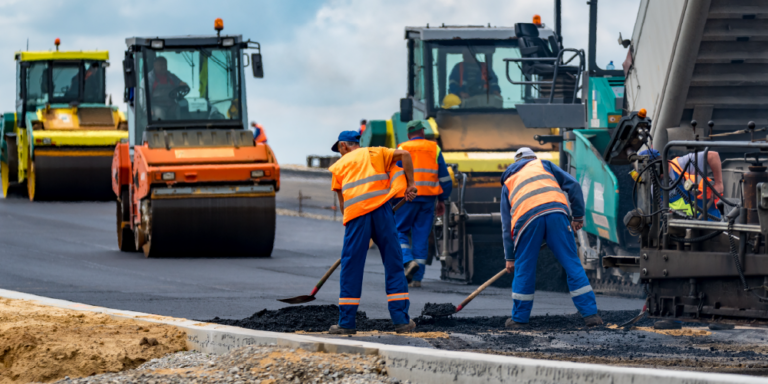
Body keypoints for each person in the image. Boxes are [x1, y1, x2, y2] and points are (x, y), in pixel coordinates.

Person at [327, 131, 418, 335]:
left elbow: (343, 205)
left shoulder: (339, 166)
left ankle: (347, 323)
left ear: (343, 146)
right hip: (383, 212)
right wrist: (411, 184)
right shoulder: (376, 153)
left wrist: (357, 232)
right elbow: (405, 155)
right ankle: (401, 321)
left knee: (351, 266)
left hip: (357, 216)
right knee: (394, 264)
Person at [500, 147, 602, 328]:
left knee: (524, 268)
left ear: (516, 163)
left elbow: (507, 225)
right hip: (557, 214)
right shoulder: (544, 165)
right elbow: (574, 186)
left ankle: (519, 320)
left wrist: (510, 257)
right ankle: (591, 315)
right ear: (533, 158)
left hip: (526, 221)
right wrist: (578, 217)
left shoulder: (509, 180)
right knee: (572, 264)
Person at [394, 120, 452, 287]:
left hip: (406, 198)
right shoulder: (434, 148)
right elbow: (445, 178)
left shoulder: (402, 147)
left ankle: (407, 261)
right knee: (421, 237)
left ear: (408, 134)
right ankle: (417, 279)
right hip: (428, 199)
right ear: (423, 132)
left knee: (398, 231)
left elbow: (395, 175)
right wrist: (443, 199)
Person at [669, 151, 723, 220]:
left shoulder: (680, 164)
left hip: (708, 218)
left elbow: (713, 155)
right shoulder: (655, 186)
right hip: (682, 226)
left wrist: (718, 183)